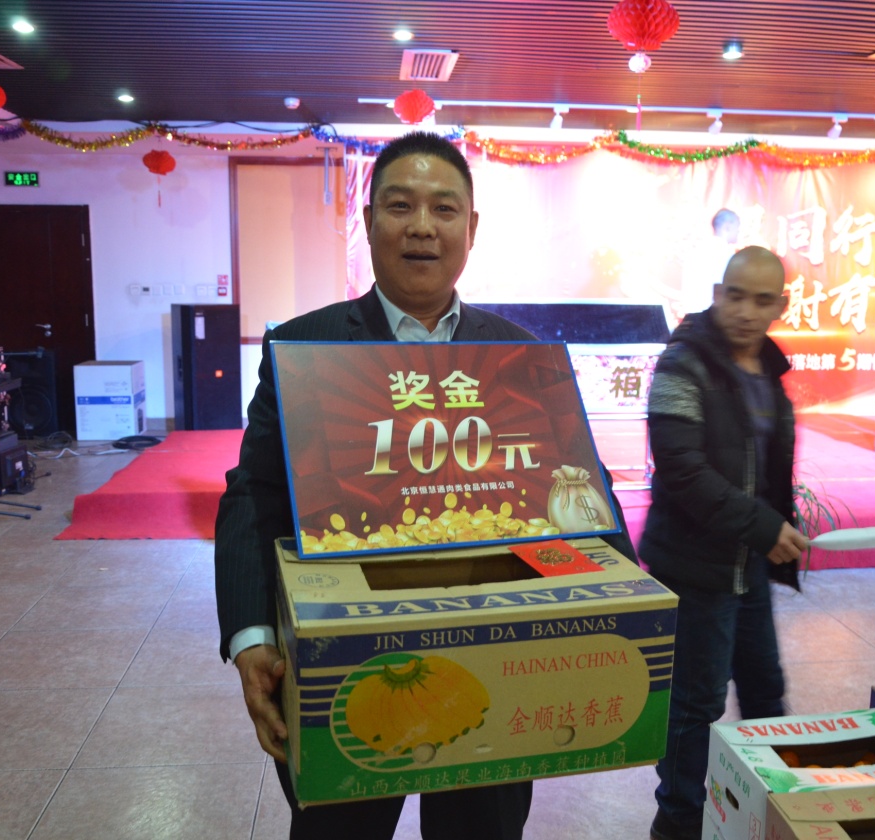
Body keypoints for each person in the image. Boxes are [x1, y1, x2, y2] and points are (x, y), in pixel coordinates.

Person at [214, 131, 635, 840]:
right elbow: (253, 492)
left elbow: (579, 489)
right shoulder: (304, 349)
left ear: (471, 228)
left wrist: (623, 607)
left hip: (495, 657)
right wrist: (251, 633)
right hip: (346, 658)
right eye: (400, 205)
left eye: (444, 209)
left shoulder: (520, 356)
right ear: (369, 221)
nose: (421, 227)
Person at [640, 246, 808, 840]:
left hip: (748, 564)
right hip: (694, 567)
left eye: (761, 300)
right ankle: (678, 822)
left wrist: (774, 529)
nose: (745, 311)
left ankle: (774, 813)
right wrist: (763, 526)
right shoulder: (683, 363)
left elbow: (766, 468)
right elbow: (682, 469)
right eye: (735, 296)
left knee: (766, 690)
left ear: (780, 305)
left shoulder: (770, 366)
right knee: (696, 708)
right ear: (717, 294)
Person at [680, 208, 740, 318]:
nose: (738, 232)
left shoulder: (695, 250)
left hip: (692, 317)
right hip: (714, 317)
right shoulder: (727, 253)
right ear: (727, 227)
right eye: (737, 227)